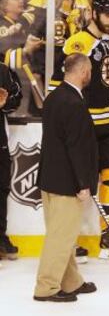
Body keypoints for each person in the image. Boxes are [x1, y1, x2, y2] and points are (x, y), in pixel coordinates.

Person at [49, 0, 109, 259]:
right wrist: (66, 122)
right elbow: (61, 84)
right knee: (76, 184)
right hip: (85, 127)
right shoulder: (80, 42)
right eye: (107, 16)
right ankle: (68, 241)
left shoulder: (103, 41)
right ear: (93, 13)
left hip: (102, 125)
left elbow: (99, 86)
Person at [34, 53, 97, 302]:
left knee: (64, 236)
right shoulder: (74, 104)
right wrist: (84, 183)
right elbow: (77, 148)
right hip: (66, 183)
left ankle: (71, 282)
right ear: (83, 72)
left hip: (49, 179)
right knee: (60, 239)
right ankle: (46, 288)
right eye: (90, 70)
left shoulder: (54, 97)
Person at [0, 61, 22, 261]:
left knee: (1, 189)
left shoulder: (4, 70)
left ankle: (0, 236)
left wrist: (6, 102)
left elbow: (17, 97)